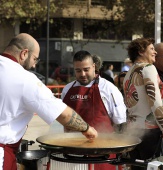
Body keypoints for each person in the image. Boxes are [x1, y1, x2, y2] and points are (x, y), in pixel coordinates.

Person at [0, 33, 98, 170]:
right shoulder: (25, 79)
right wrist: (87, 129)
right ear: (24, 53)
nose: (34, 65)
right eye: (35, 59)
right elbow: (64, 115)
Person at [61, 50, 127, 170]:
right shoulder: (67, 90)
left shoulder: (109, 89)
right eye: (78, 70)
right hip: (73, 153)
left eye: (86, 69)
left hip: (102, 153)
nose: (83, 74)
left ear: (94, 66)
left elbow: (119, 121)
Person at [123, 38, 163, 170]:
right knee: (153, 166)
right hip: (150, 131)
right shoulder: (149, 68)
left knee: (137, 167)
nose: (155, 52)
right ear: (141, 52)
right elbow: (155, 99)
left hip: (133, 129)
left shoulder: (129, 72)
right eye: (152, 49)